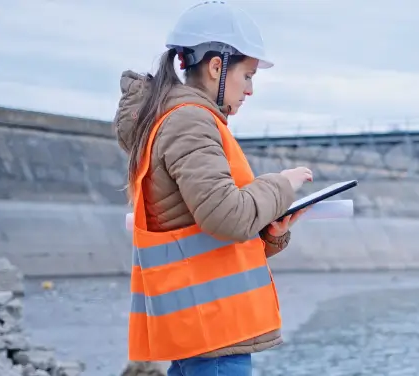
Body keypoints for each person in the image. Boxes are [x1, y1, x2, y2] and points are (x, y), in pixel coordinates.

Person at [112, 1, 310, 375]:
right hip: (215, 339)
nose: (250, 90)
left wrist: (270, 236)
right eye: (247, 75)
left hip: (202, 336)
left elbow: (199, 237)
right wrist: (281, 184)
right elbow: (228, 217)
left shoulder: (177, 120)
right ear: (217, 67)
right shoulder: (190, 122)